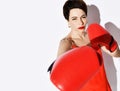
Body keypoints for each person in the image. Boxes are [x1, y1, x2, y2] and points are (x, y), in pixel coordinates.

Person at [48, 0, 120, 90]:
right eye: (74, 18)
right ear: (68, 21)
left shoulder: (93, 35)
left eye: (83, 17)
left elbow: (117, 54)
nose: (81, 22)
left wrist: (111, 43)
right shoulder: (67, 42)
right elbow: (60, 73)